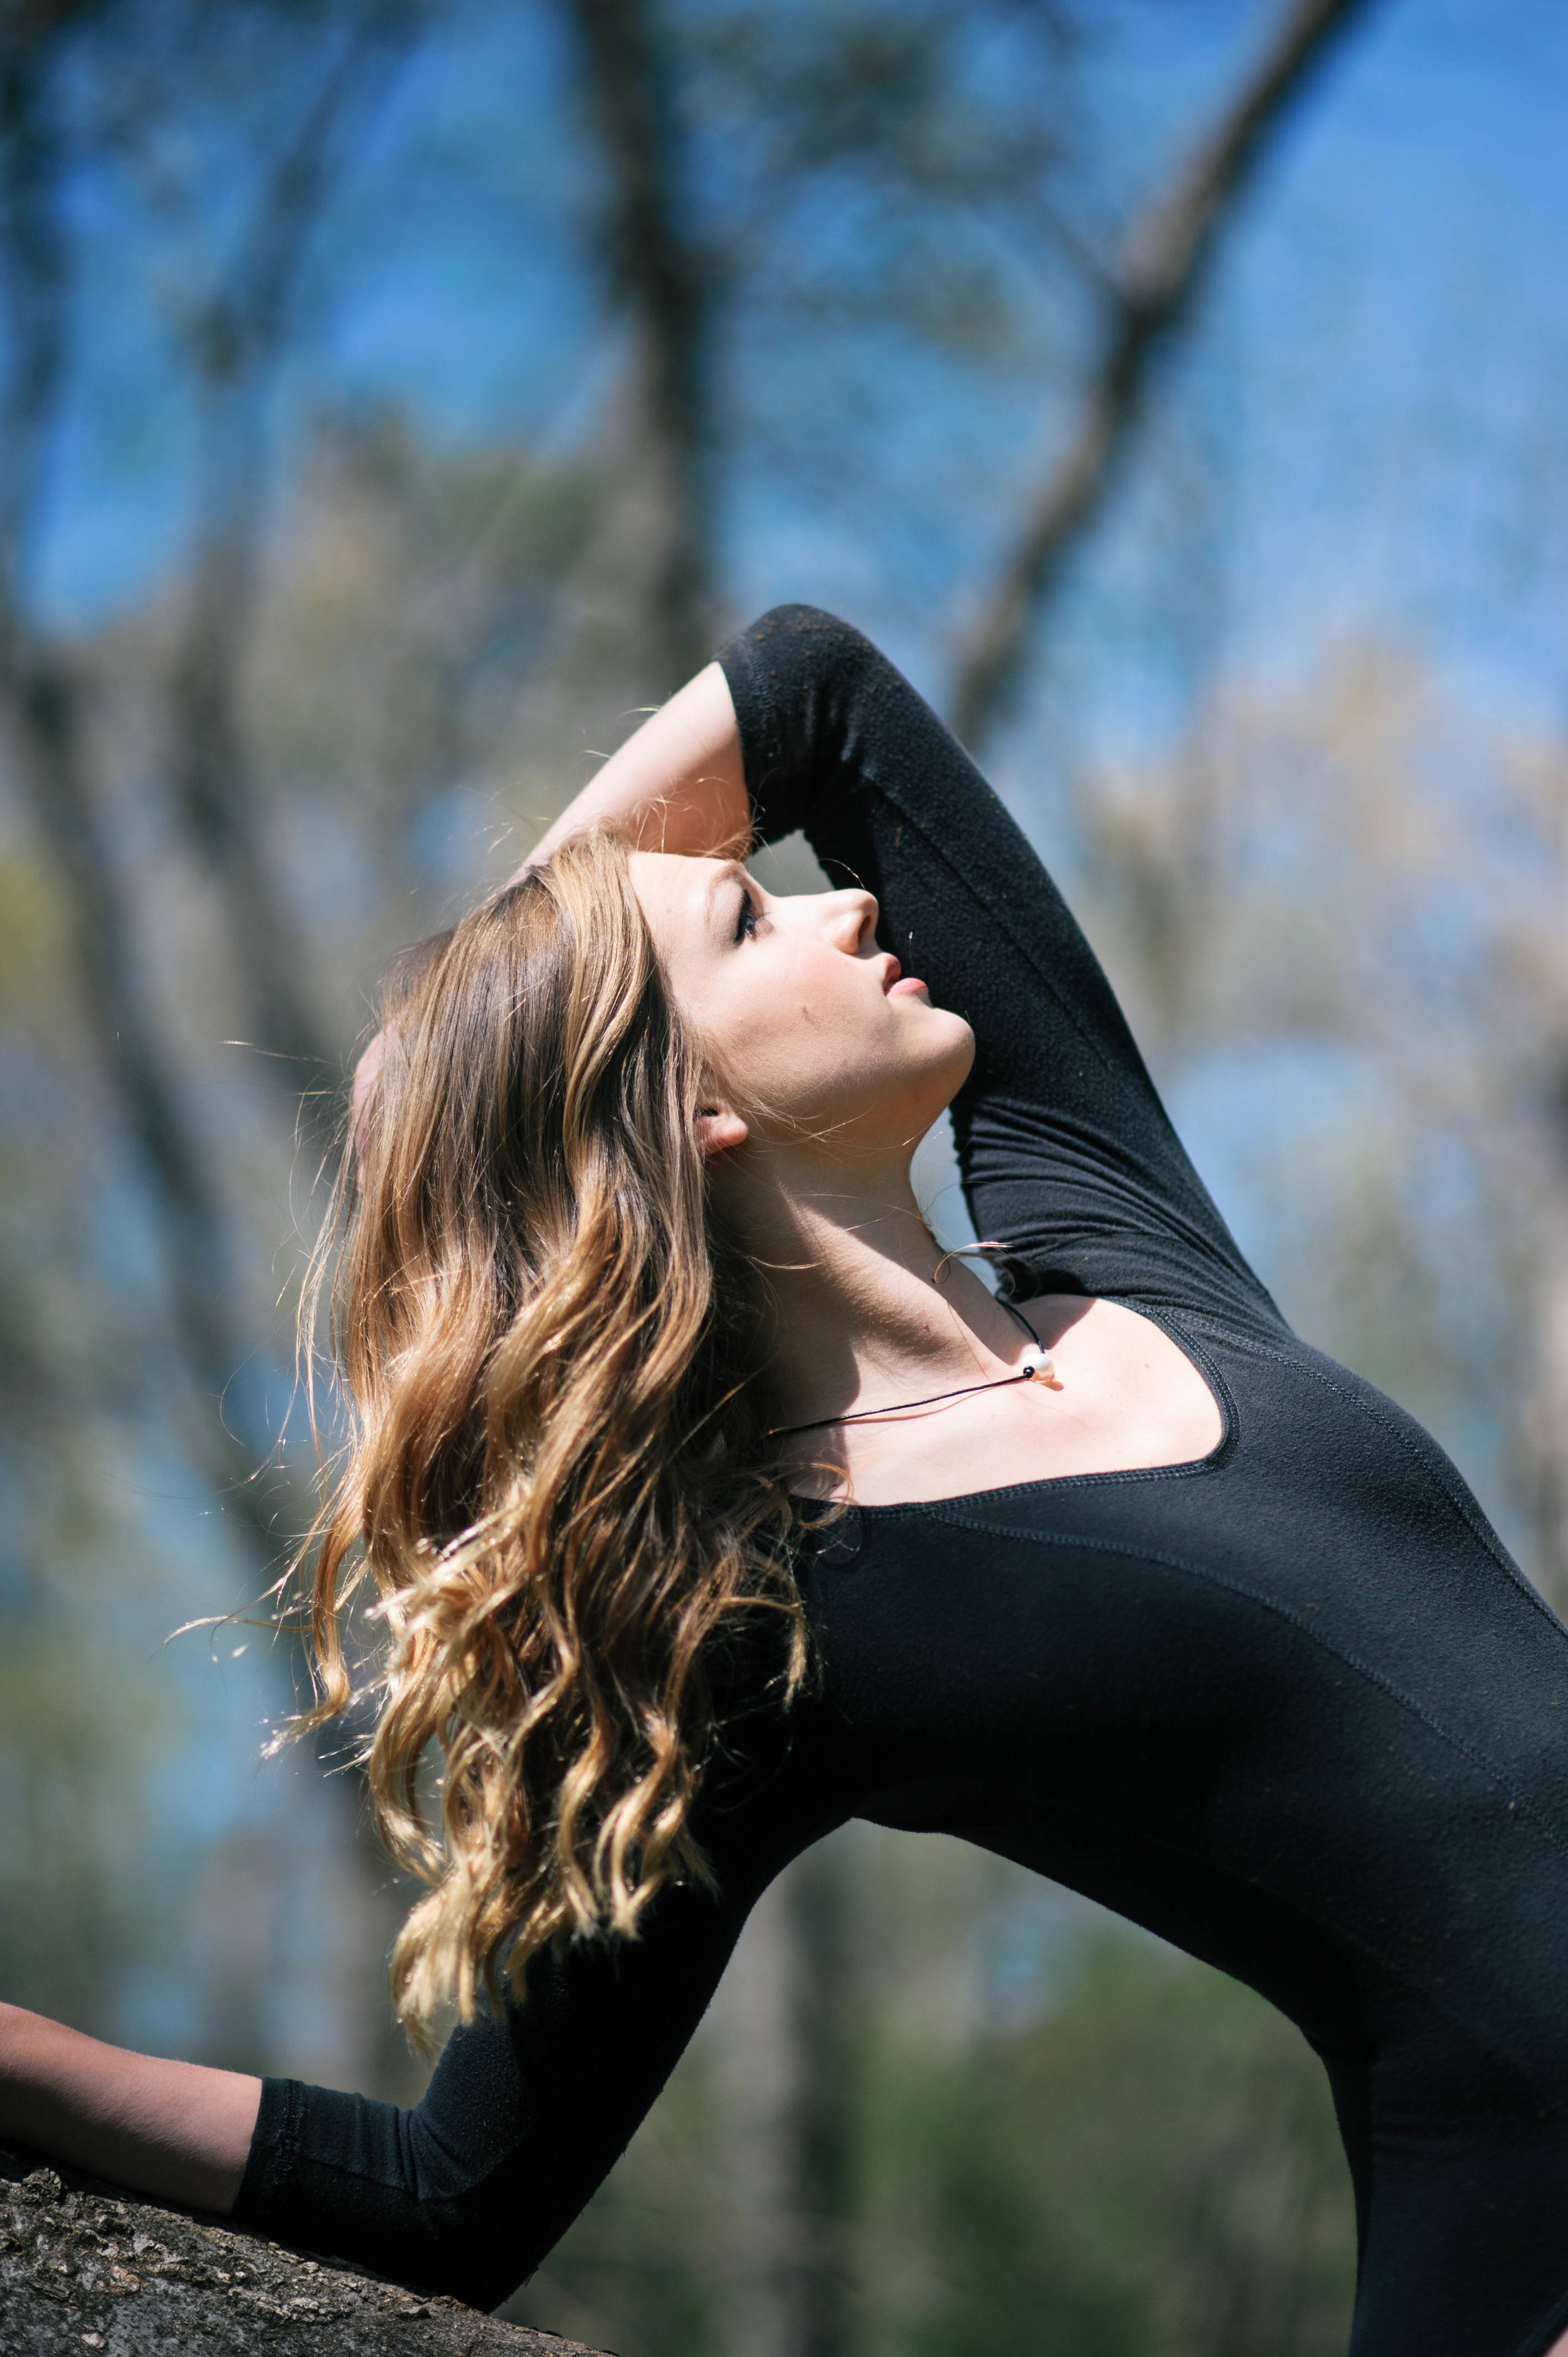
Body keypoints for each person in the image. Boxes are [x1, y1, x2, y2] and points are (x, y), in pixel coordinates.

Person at [4, 605, 1568, 2357]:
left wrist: (467, 1002)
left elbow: (815, 696)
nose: (847, 904)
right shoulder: (759, 1626)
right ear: (681, 1115)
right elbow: (451, 2195)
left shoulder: (1113, 1235)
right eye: (753, 922)